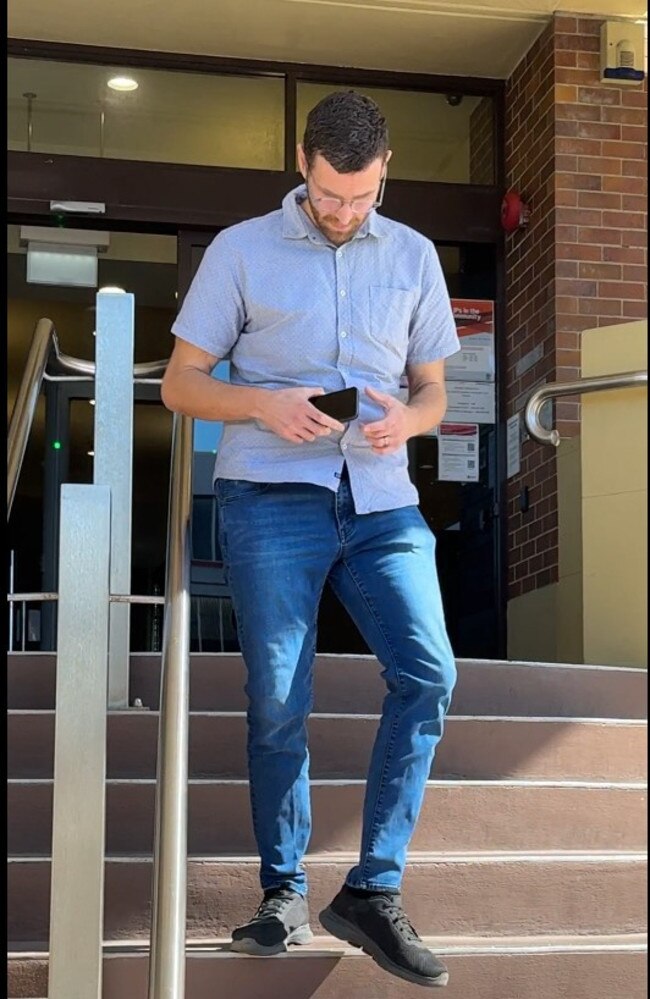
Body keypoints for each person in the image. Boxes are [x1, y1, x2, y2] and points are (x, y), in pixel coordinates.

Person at [162, 89, 460, 989]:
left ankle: (371, 890)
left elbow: (435, 393)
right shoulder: (240, 250)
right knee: (279, 699)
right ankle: (282, 891)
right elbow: (181, 384)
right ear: (303, 162)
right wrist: (263, 402)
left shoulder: (412, 255)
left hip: (379, 498)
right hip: (270, 497)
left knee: (431, 672)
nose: (343, 213)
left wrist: (404, 422)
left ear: (384, 172)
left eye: (361, 196)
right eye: (331, 195)